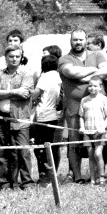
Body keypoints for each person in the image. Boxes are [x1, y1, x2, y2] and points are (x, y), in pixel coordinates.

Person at [58, 29, 107, 183]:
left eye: (81, 39)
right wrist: (95, 72)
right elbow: (71, 72)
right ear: (70, 41)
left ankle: (98, 175)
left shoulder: (97, 55)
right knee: (74, 143)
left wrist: (83, 78)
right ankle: (78, 176)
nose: (78, 42)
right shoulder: (64, 59)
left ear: (86, 40)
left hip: (98, 109)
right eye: (75, 40)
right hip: (74, 108)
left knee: (100, 142)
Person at [0, 46, 37, 190]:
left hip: (19, 118)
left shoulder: (26, 74)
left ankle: (26, 182)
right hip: (0, 118)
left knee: (22, 151)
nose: (14, 59)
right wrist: (14, 91)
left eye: (17, 56)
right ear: (6, 58)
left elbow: (25, 94)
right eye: (11, 56)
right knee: (1, 151)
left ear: (21, 57)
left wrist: (3, 93)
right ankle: (3, 183)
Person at [32, 54, 63, 184]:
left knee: (40, 147)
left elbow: (35, 95)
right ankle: (52, 174)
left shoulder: (44, 77)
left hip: (42, 115)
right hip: (54, 115)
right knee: (52, 147)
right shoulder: (58, 77)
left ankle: (44, 175)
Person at [78, 76, 107, 184]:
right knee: (90, 154)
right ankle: (92, 179)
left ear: (100, 87)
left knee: (97, 153)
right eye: (90, 86)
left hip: (99, 132)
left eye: (95, 86)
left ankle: (101, 177)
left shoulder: (104, 99)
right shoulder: (84, 100)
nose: (92, 88)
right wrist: (82, 127)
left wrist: (103, 127)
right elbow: (81, 116)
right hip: (88, 132)